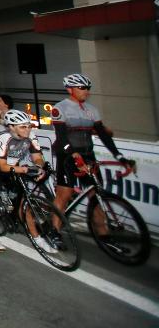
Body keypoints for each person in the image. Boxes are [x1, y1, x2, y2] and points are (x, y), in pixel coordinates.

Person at [50, 73, 133, 253]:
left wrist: (119, 156)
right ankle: (54, 232)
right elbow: (62, 138)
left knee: (97, 196)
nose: (86, 92)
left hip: (88, 155)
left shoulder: (92, 110)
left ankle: (105, 237)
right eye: (82, 88)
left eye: (88, 88)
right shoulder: (60, 108)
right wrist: (74, 157)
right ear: (70, 89)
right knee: (64, 194)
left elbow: (103, 135)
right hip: (67, 156)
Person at [0, 109, 53, 253]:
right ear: (11, 127)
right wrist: (26, 170)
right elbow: (2, 166)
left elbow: (38, 157)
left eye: (29, 126)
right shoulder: (3, 138)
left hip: (13, 167)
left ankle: (37, 238)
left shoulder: (30, 136)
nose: (27, 129)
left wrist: (39, 167)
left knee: (24, 203)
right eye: (22, 126)